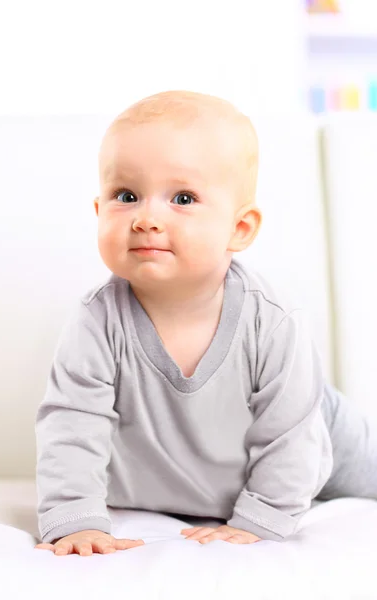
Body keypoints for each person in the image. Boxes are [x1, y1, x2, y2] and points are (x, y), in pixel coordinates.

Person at [34, 90, 376, 557]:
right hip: (190, 467)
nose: (147, 218)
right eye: (126, 196)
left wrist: (262, 519)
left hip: (315, 431)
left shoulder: (273, 323)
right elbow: (72, 424)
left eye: (183, 198)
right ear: (99, 211)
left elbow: (290, 434)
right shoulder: (96, 321)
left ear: (240, 229)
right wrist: (74, 518)